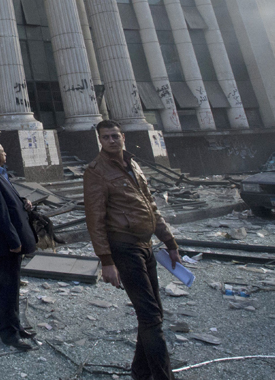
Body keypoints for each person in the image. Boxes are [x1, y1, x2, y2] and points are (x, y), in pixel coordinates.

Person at [83, 120, 181, 380]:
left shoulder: (134, 165)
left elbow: (151, 207)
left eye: (115, 136)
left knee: (152, 313)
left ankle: (140, 372)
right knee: (150, 316)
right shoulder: (96, 171)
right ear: (100, 141)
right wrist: (106, 261)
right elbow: (95, 218)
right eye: (106, 137)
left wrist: (170, 243)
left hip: (146, 245)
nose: (112, 140)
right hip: (124, 248)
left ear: (123, 136)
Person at [0, 141, 36, 352]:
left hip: (11, 241)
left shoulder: (0, 174)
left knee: (13, 286)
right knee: (6, 288)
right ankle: (8, 333)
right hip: (5, 243)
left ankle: (16, 325)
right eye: (2, 151)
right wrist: (13, 241)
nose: (5, 153)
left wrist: (24, 201)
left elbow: (9, 201)